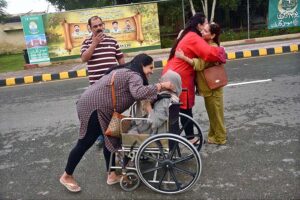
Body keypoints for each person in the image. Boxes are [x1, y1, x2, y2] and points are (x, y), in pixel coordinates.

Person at [59, 53, 175, 192]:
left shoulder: (128, 73)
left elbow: (140, 93)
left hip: (102, 108)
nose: (151, 71)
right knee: (85, 141)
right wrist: (161, 85)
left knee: (112, 137)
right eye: (150, 67)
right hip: (93, 108)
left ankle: (112, 174)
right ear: (141, 65)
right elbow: (138, 93)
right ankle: (67, 175)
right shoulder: (134, 75)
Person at [162, 12, 226, 145]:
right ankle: (190, 137)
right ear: (199, 25)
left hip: (173, 72)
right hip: (180, 75)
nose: (206, 26)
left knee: (178, 107)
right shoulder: (193, 37)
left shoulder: (188, 34)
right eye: (206, 23)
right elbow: (208, 54)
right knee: (185, 107)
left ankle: (180, 137)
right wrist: (222, 53)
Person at [81, 16, 125, 147]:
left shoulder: (112, 41)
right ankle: (101, 136)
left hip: (113, 84)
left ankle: (115, 135)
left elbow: (120, 59)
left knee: (115, 110)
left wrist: (125, 73)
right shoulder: (87, 43)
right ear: (90, 28)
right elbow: (84, 58)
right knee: (99, 112)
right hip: (96, 87)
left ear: (103, 25)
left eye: (100, 25)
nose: (98, 28)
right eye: (95, 26)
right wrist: (94, 43)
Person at [127, 70, 182, 135]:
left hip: (153, 132)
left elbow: (155, 122)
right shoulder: (172, 97)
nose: (159, 80)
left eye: (162, 79)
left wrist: (148, 107)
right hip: (159, 128)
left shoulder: (165, 100)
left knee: (128, 132)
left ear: (169, 84)